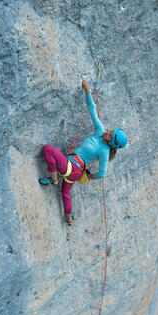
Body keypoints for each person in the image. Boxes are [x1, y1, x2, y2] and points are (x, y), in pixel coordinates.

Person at [40, 76, 128, 225]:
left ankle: (54, 179)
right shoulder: (100, 131)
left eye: (111, 134)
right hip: (75, 170)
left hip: (73, 166)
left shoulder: (105, 152)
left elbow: (102, 174)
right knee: (65, 193)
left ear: (112, 143)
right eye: (111, 130)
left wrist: (89, 175)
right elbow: (92, 109)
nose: (108, 131)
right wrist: (87, 89)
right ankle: (69, 219)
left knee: (48, 150)